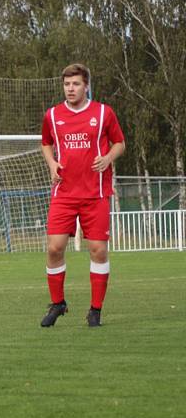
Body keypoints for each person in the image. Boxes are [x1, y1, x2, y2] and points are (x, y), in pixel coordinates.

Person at [40, 63, 125, 328]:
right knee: (54, 248)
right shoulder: (53, 115)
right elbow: (45, 143)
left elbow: (120, 143)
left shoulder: (103, 113)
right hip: (64, 193)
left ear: (86, 85)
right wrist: (52, 164)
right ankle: (58, 303)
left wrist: (108, 157)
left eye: (75, 84)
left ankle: (95, 310)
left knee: (98, 251)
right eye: (67, 84)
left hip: (95, 193)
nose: (70, 89)